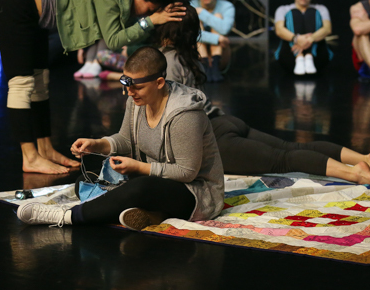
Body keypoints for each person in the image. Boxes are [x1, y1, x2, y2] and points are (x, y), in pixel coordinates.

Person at [156, 4, 370, 185]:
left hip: (212, 137)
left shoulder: (162, 62)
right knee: (290, 147)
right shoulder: (189, 57)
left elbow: (175, 118)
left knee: (284, 160)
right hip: (225, 121)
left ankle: (355, 173)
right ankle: (367, 158)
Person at [0, 0, 184, 174]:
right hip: (16, 3)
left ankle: (44, 150)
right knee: (21, 84)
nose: (149, 14)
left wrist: (149, 19)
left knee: (40, 84)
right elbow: (113, 40)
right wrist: (150, 21)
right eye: (150, 8)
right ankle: (30, 157)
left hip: (34, 13)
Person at [16, 47, 225, 230]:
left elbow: (187, 172)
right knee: (85, 179)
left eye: (137, 87)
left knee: (139, 188)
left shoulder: (185, 115)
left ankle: (68, 216)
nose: (129, 93)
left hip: (195, 192)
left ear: (159, 82)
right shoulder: (136, 101)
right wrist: (97, 144)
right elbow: (126, 139)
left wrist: (138, 168)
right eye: (127, 84)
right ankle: (151, 215)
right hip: (155, 177)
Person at [274, 0, 333, 76]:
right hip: (290, 57)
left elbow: (327, 29)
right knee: (295, 13)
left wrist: (309, 39)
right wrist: (297, 39)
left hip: (316, 58)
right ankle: (299, 57)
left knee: (311, 12)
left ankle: (309, 56)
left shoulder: (321, 9)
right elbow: (279, 30)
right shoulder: (283, 9)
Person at [190, 0, 234, 83]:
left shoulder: (227, 6)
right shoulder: (192, 5)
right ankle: (204, 65)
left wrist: (201, 12)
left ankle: (214, 67)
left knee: (218, 16)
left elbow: (224, 29)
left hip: (221, 57)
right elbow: (191, 34)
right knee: (196, 23)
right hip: (198, 56)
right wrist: (218, 38)